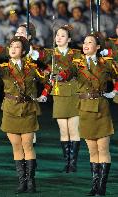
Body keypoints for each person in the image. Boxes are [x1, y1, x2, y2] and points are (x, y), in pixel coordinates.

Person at [58, 32, 118, 196]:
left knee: (103, 149)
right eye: (84, 42)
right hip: (84, 108)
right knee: (92, 150)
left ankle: (102, 187)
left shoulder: (106, 63)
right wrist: (60, 76)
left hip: (101, 108)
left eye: (90, 42)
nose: (85, 45)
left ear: (98, 47)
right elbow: (68, 72)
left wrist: (115, 92)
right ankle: (94, 186)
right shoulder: (77, 64)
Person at [0, 36, 48, 194]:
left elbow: (48, 80)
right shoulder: (5, 67)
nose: (13, 49)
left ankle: (31, 182)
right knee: (16, 146)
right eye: (11, 46)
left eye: (17, 47)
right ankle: (22, 182)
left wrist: (44, 94)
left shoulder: (31, 68)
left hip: (28, 108)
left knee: (28, 145)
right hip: (10, 109)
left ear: (23, 51)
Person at [37, 25, 82, 173]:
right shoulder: (51, 54)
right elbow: (49, 76)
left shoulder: (75, 54)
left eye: (63, 36)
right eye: (57, 35)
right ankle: (67, 162)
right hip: (59, 94)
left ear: (69, 39)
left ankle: (73, 163)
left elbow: (74, 70)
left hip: (74, 93)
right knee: (64, 131)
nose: (58, 38)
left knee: (73, 130)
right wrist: (44, 93)